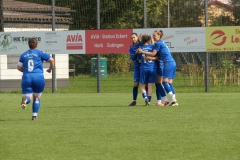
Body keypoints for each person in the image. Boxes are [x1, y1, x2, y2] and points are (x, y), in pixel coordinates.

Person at [17, 38, 54, 120]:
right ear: (37, 44)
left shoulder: (23, 54)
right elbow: (51, 60)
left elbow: (19, 67)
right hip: (38, 77)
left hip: (27, 77)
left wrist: (26, 70)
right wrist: (50, 69)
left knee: (29, 97)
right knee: (37, 97)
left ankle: (25, 100)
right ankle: (34, 116)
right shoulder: (40, 53)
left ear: (28, 45)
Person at [138, 30, 178, 106]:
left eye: (154, 35)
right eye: (152, 35)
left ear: (159, 36)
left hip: (168, 63)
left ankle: (172, 99)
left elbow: (153, 54)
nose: (153, 37)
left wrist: (142, 52)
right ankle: (172, 100)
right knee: (169, 83)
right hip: (172, 62)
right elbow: (156, 56)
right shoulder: (161, 42)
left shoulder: (158, 43)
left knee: (164, 82)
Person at [137, 34, 156, 106]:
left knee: (143, 86)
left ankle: (145, 97)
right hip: (152, 68)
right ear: (149, 40)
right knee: (150, 85)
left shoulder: (140, 48)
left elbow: (139, 60)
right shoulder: (152, 47)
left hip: (143, 68)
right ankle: (149, 100)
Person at [128, 33, 142, 106]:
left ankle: (148, 99)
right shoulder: (131, 47)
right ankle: (134, 101)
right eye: (131, 38)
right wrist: (136, 52)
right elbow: (133, 58)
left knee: (145, 84)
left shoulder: (142, 44)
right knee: (136, 84)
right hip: (137, 67)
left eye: (134, 37)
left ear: (137, 37)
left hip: (144, 66)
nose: (133, 39)